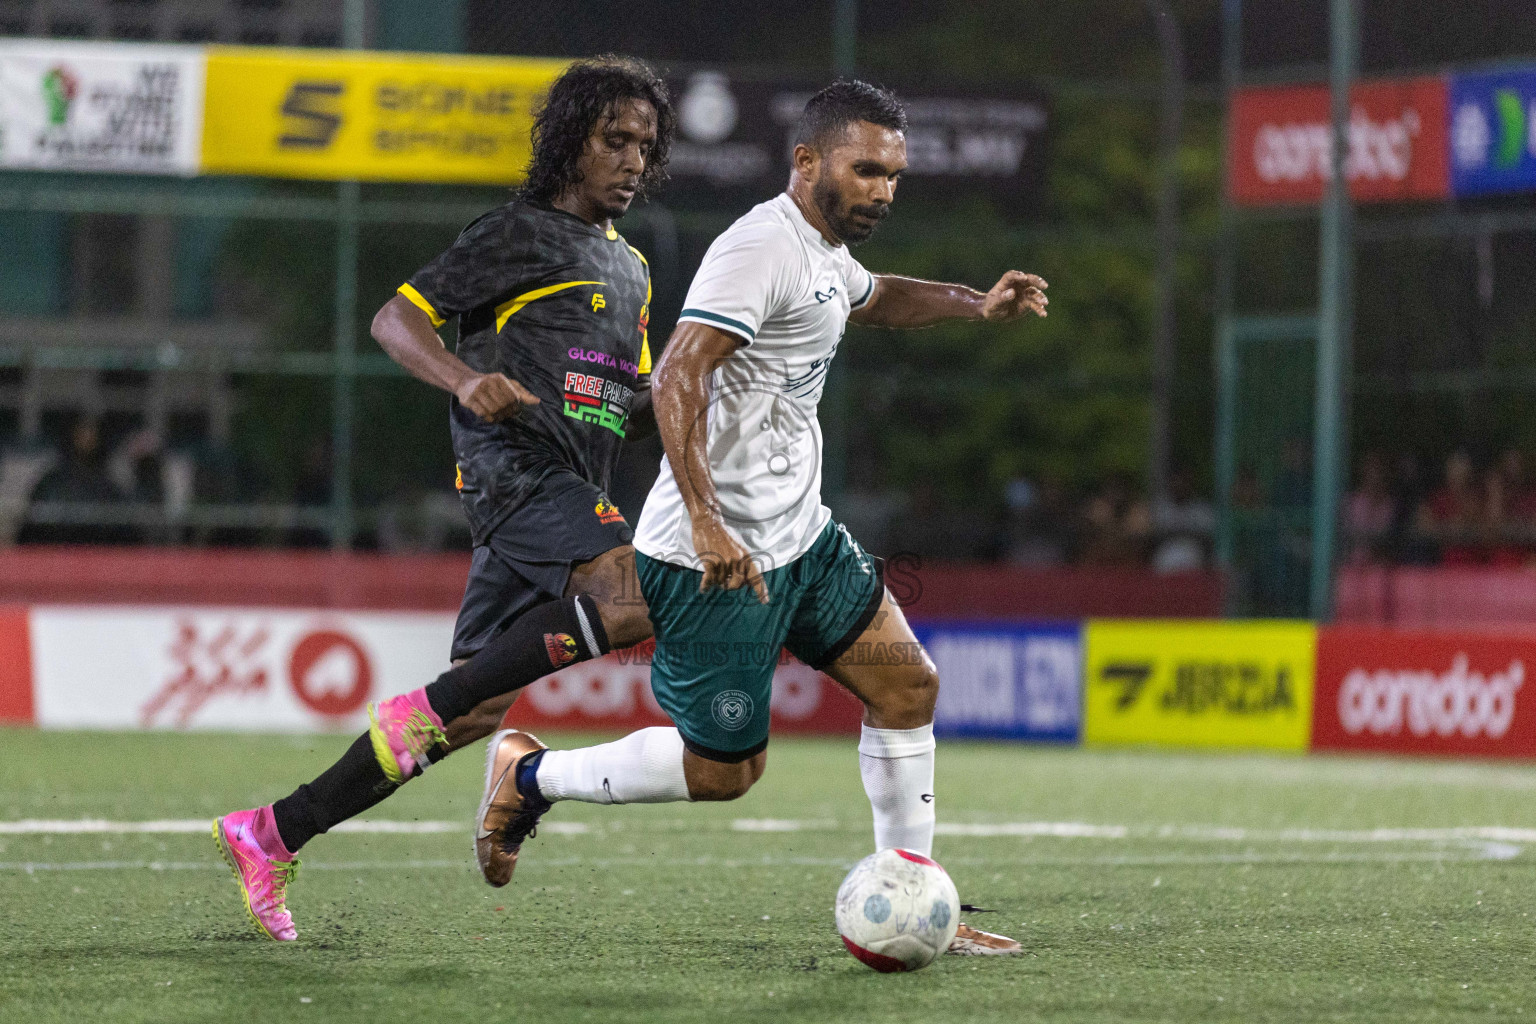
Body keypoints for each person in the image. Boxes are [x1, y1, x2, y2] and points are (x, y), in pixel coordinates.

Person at [474, 80, 1048, 956]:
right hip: (716, 558)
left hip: (802, 539)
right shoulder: (760, 248)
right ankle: (534, 774)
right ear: (808, 161)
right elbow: (676, 374)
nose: (883, 191)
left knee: (908, 688)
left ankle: (913, 890)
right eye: (865, 170)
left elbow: (875, 297)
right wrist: (707, 520)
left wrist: (977, 303)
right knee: (724, 771)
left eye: (894, 175)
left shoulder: (823, 252)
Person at [212, 56, 675, 942]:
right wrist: (465, 381)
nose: (629, 159)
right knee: (633, 595)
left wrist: (706, 390)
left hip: (567, 492)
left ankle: (271, 831)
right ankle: (456, 745)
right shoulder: (517, 234)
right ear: (571, 140)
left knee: (463, 713)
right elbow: (397, 318)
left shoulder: (636, 272)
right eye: (614, 138)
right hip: (516, 474)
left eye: (644, 147)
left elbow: (631, 412)